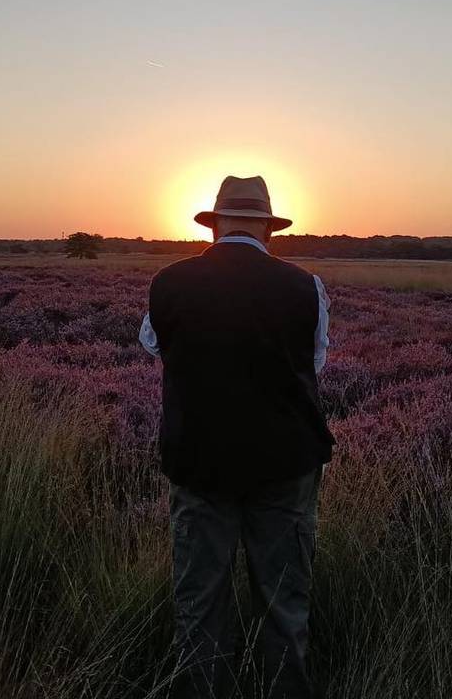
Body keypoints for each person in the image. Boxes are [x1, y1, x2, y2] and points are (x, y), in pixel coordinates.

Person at [139, 175, 334, 699]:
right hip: (287, 463)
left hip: (198, 461)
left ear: (215, 225)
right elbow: (313, 363)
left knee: (200, 604)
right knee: (284, 604)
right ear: (268, 228)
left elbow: (155, 345)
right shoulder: (306, 285)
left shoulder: (168, 282)